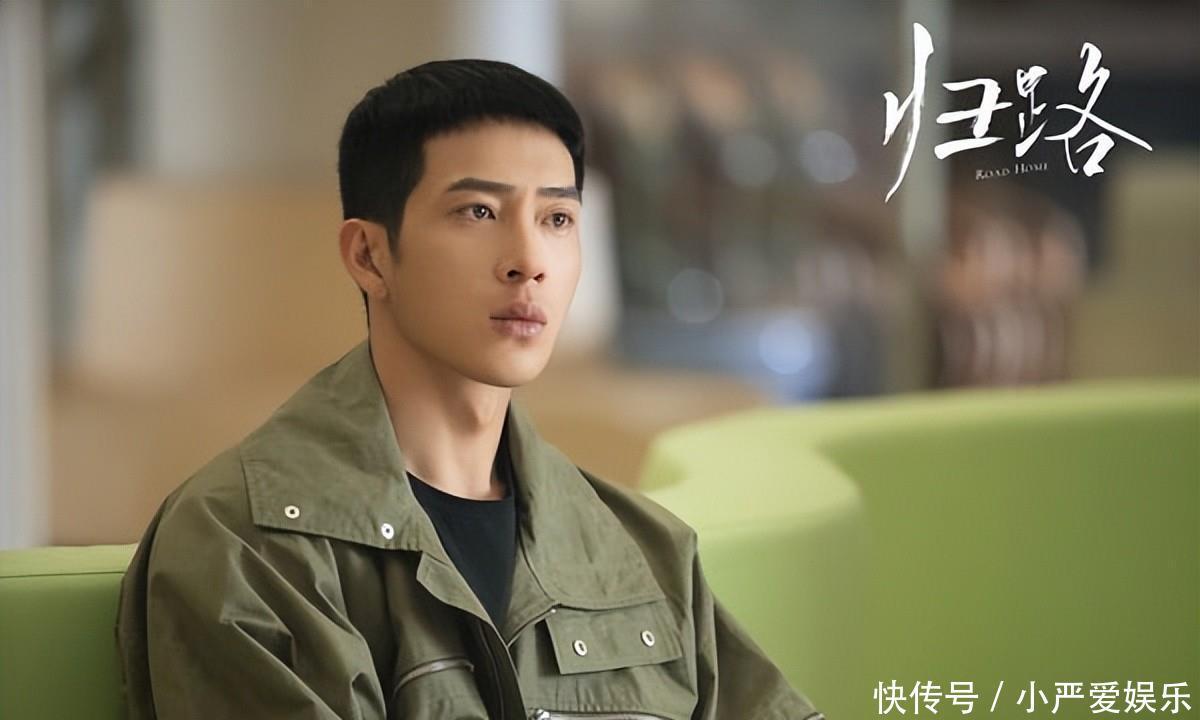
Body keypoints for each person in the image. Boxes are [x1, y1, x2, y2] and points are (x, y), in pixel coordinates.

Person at [115, 58, 823, 720]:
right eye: (478, 212)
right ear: (369, 255)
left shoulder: (644, 549)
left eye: (556, 219)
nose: (528, 261)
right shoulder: (245, 540)